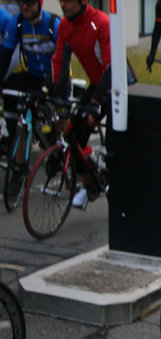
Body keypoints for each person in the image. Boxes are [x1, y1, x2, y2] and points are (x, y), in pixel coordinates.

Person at [47, 0, 112, 210]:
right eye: (60, 0)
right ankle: (88, 185)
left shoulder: (100, 22)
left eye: (68, 0)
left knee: (118, 140)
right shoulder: (65, 26)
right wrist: (57, 97)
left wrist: (95, 103)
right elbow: (59, 61)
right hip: (95, 83)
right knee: (72, 135)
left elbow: (111, 66)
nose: (63, 4)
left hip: (117, 82)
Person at [0, 0, 59, 195]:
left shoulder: (53, 25)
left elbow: (61, 60)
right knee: (23, 121)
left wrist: (45, 90)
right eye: (21, 3)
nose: (25, 7)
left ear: (39, 3)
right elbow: (6, 56)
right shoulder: (16, 23)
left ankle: (63, 155)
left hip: (56, 76)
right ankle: (19, 169)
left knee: (61, 123)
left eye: (30, 3)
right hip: (33, 75)